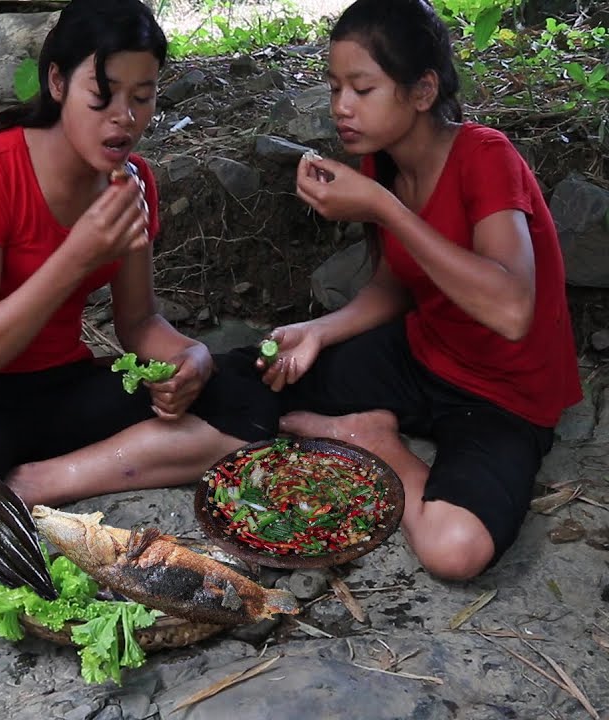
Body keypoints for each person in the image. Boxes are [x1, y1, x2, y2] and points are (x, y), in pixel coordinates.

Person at [236, 0, 581, 581]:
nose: (341, 107)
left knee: (453, 551)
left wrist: (384, 209)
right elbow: (396, 288)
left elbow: (512, 307)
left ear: (422, 91)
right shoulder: (382, 166)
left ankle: (377, 440)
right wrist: (316, 332)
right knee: (253, 381)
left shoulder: (485, 156)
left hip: (505, 397)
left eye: (362, 88)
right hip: (421, 356)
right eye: (334, 86)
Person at [0, 0, 260, 526]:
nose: (126, 117)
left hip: (60, 388)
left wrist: (192, 359)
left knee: (245, 397)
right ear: (58, 83)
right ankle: (39, 476)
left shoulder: (134, 182)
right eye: (103, 95)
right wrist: (76, 255)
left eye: (143, 96)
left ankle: (44, 480)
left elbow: (137, 322)